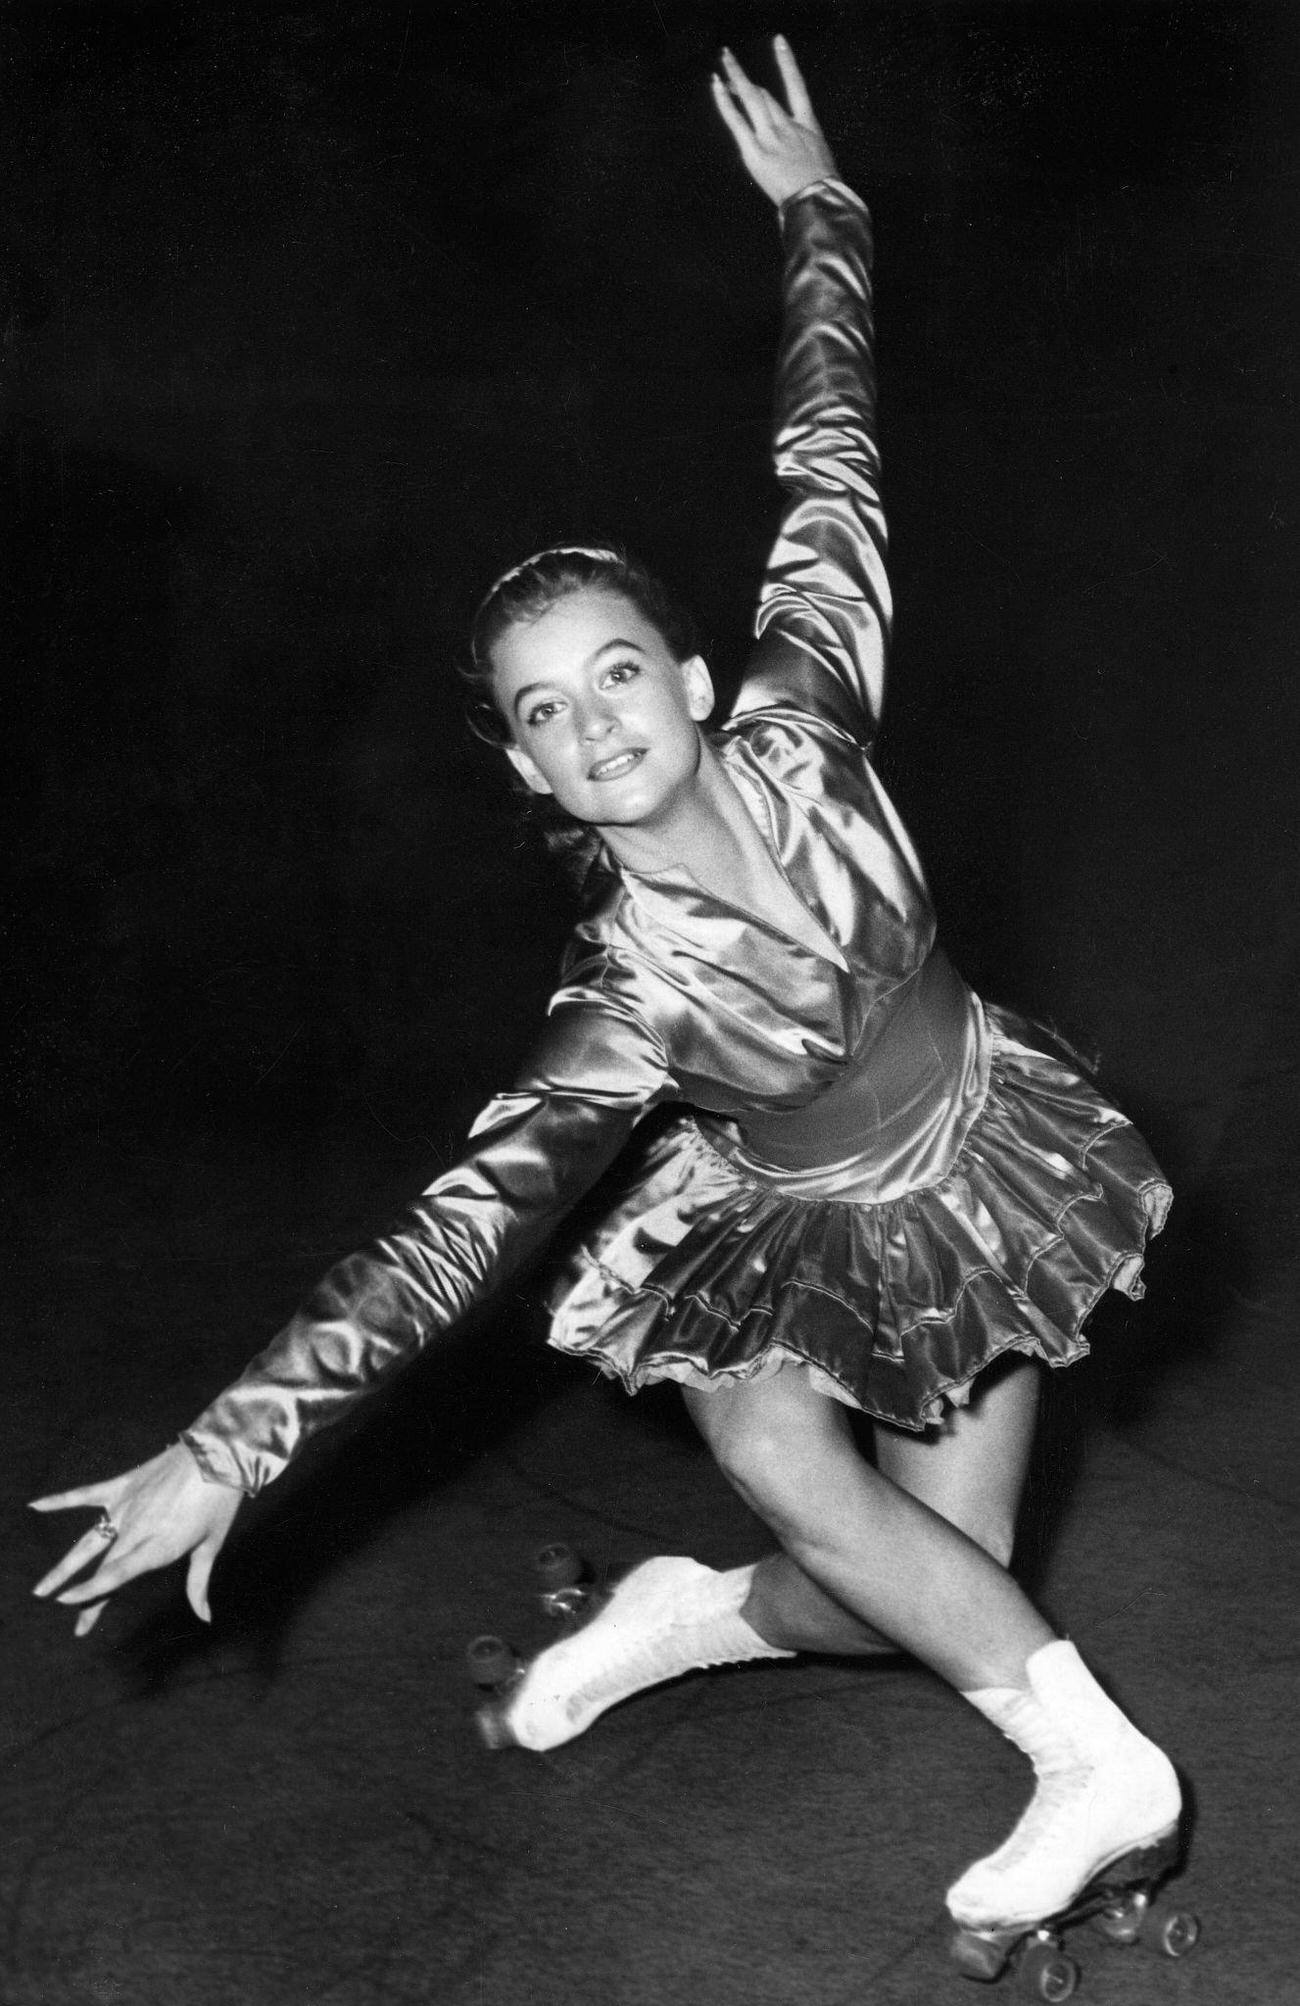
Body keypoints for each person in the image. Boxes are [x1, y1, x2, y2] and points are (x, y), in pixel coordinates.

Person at [31, 39, 1183, 1946]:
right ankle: (1102, 1766)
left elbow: (831, 454)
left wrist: (825, 213)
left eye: (618, 672)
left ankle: (682, 1614)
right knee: (775, 1447)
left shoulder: (815, 707)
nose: (594, 719)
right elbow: (441, 1236)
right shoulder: (624, 1001)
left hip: (977, 1149)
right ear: (533, 774)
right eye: (547, 713)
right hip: (775, 1217)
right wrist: (228, 1443)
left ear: (699, 678)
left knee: (924, 1580)